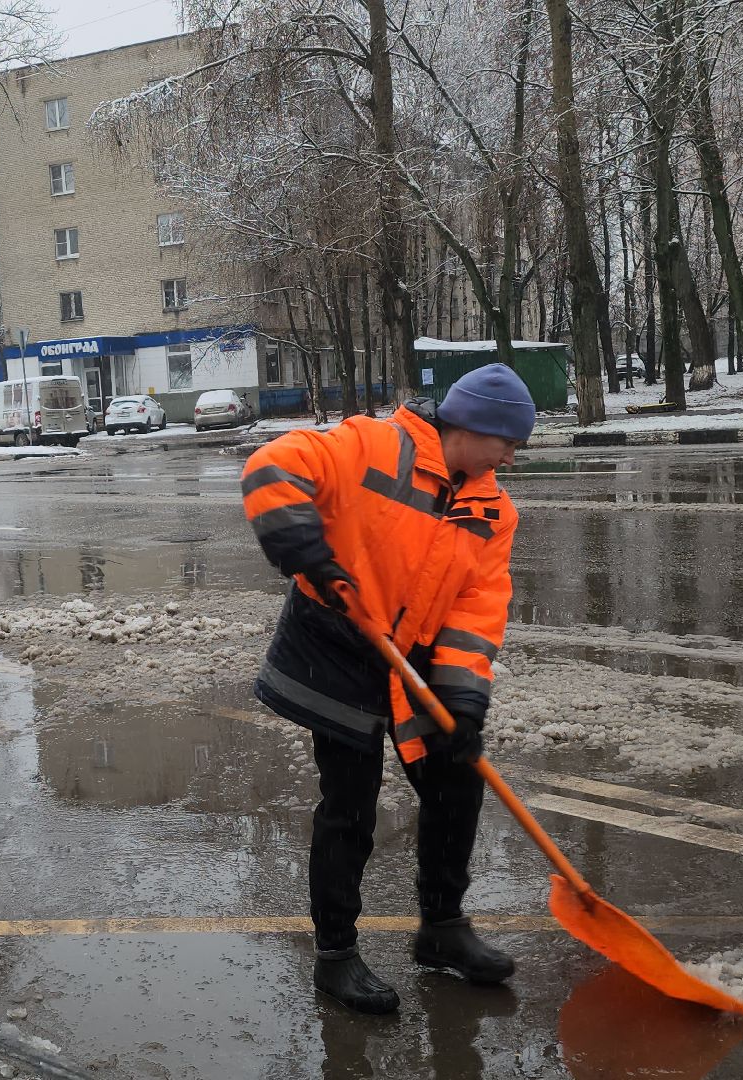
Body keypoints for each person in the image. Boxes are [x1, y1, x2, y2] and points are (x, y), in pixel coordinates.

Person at [239, 363, 535, 1015]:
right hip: (338, 638)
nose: (511, 457)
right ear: (474, 426)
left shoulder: (491, 508)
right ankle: (336, 957)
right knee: (350, 802)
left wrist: (462, 696)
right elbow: (273, 466)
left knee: (458, 781)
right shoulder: (372, 445)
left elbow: (478, 604)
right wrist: (299, 540)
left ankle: (442, 930)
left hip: (416, 654)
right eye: (507, 442)